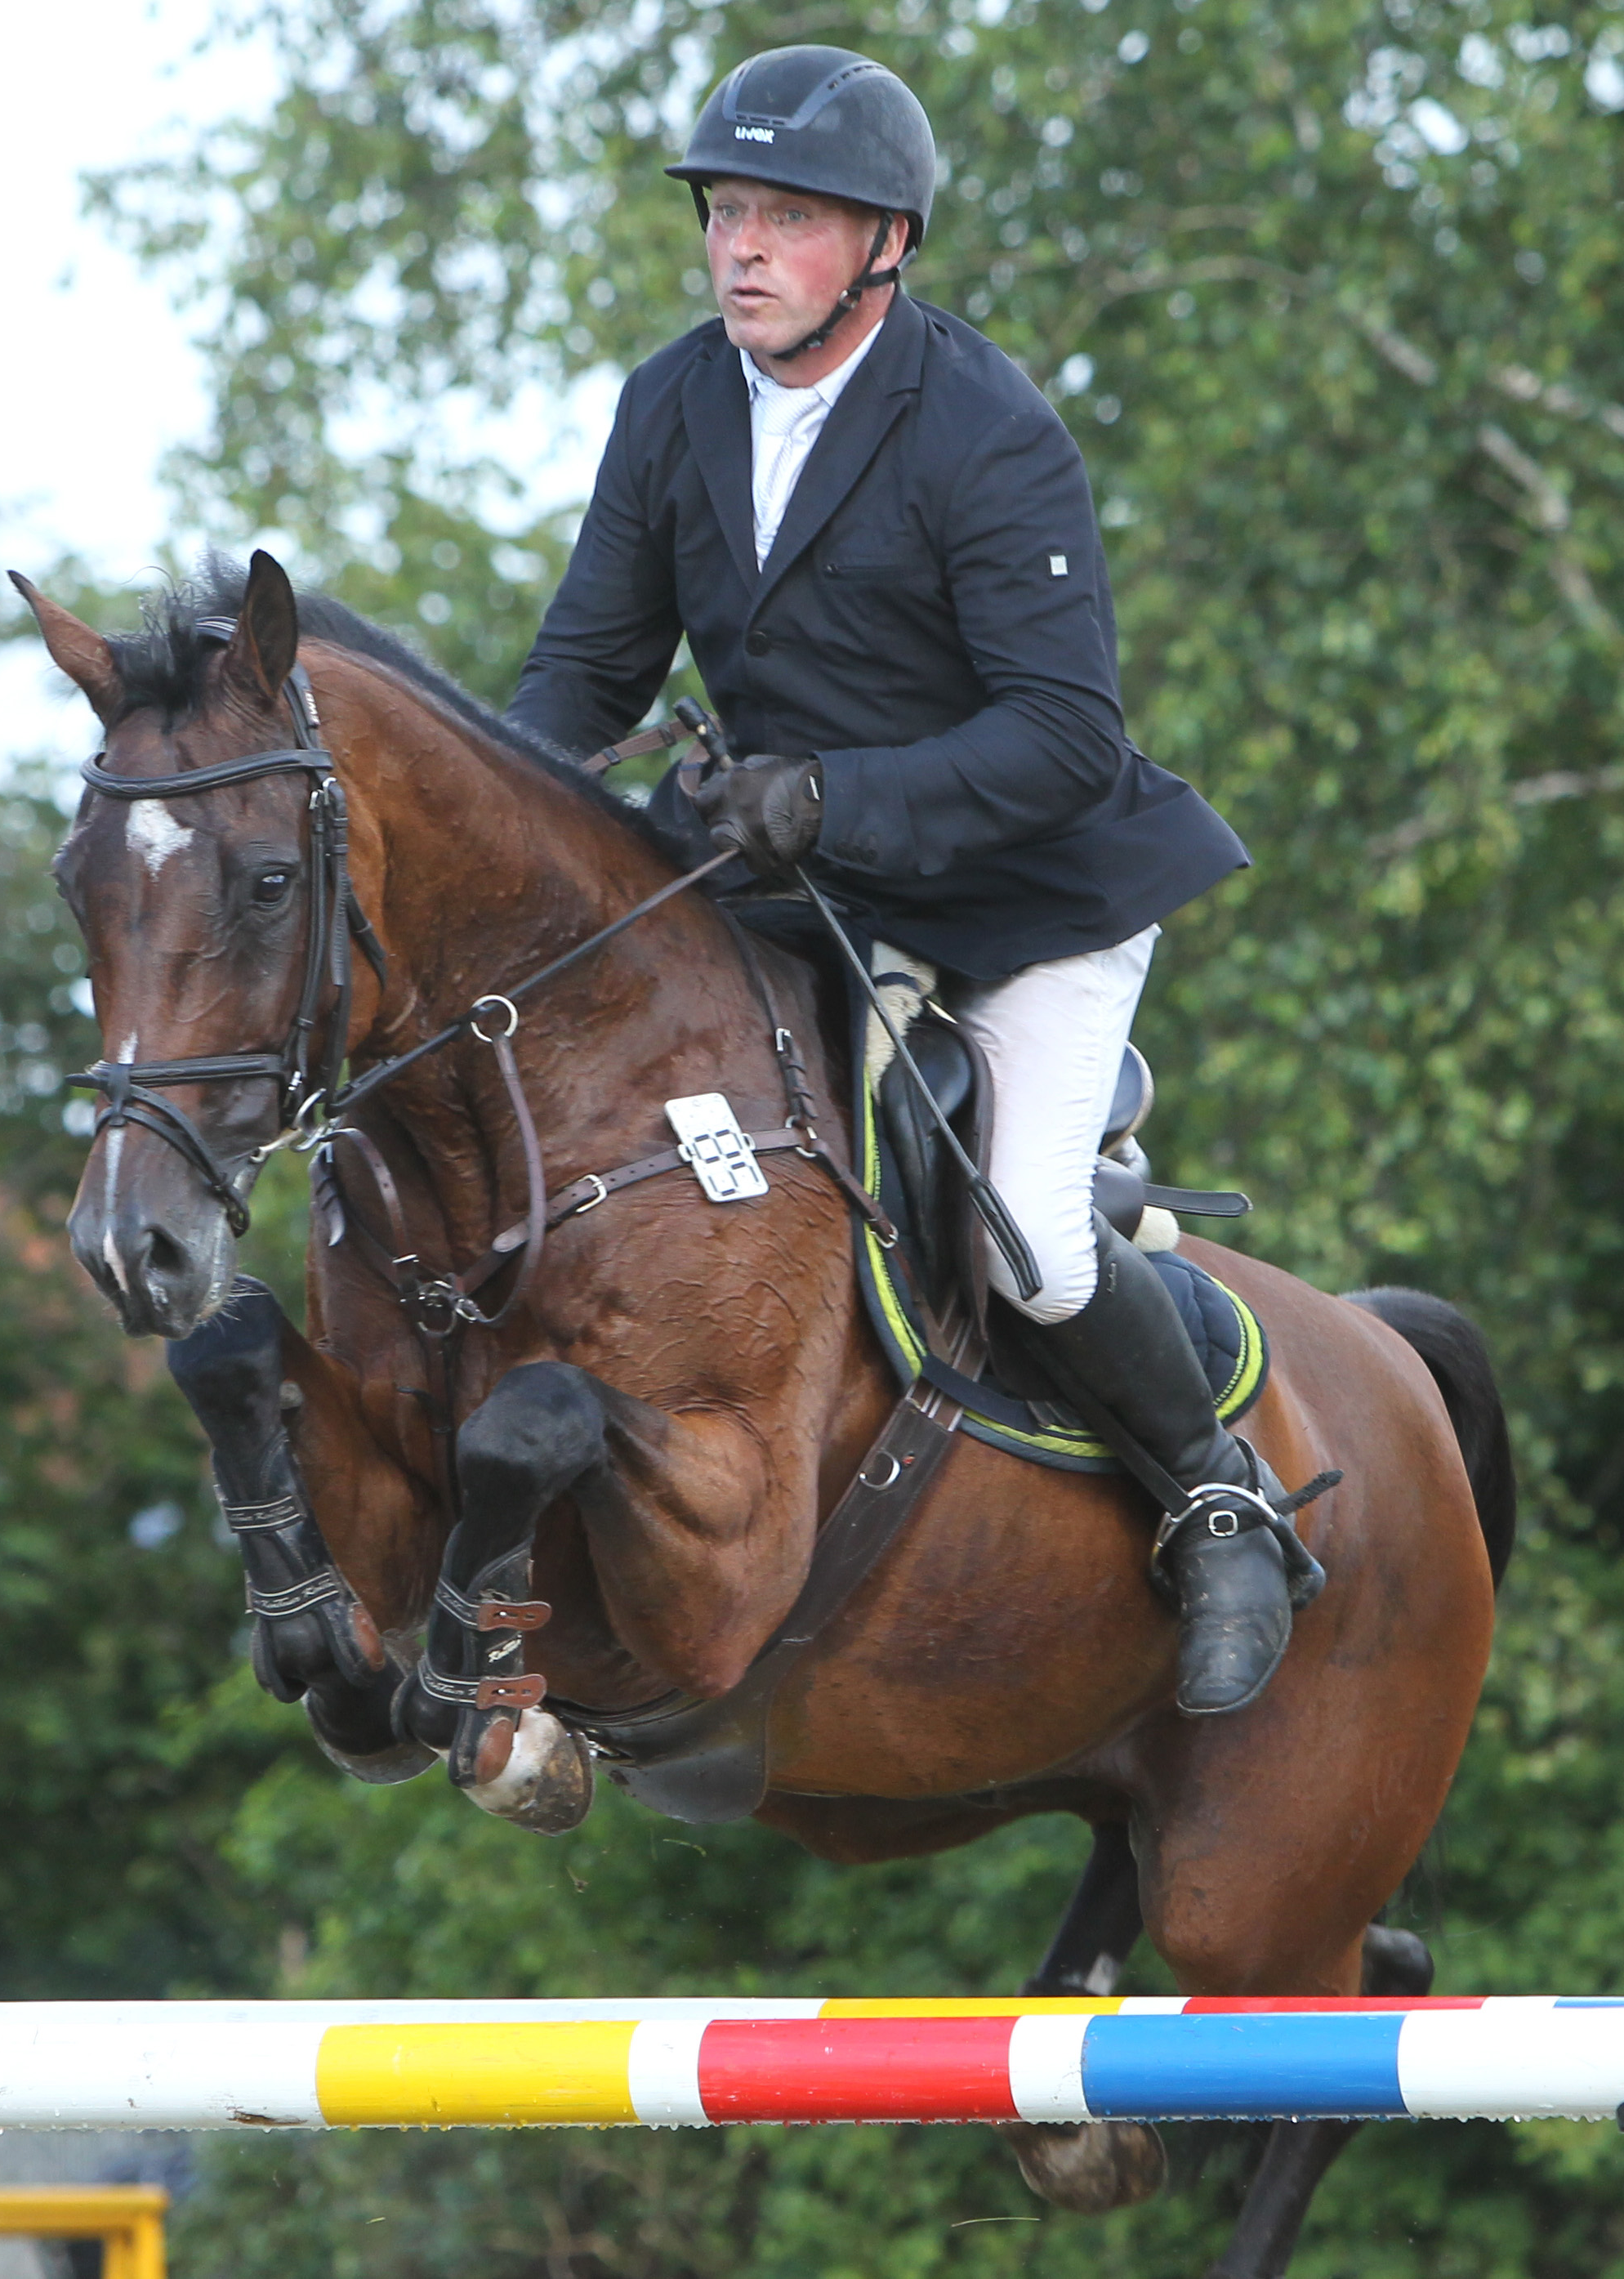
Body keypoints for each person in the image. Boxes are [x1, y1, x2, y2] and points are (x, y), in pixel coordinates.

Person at [506, 45, 1320, 1715]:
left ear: (885, 244)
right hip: (801, 889)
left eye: (783, 218)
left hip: (1032, 897)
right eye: (724, 211)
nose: (738, 247)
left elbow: (1063, 740)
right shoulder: (673, 403)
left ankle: (1215, 1491)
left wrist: (832, 794)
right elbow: (583, 675)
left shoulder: (986, 428)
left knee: (1026, 1235)